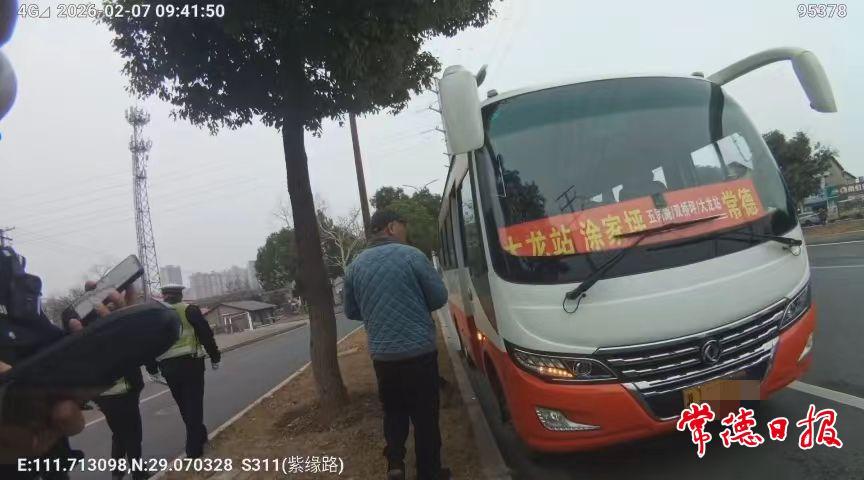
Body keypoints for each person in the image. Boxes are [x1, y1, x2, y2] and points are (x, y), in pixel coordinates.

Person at [343, 210, 450, 480]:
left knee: (393, 412)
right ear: (391, 227)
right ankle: (429, 472)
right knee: (425, 417)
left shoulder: (355, 266)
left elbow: (351, 311)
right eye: (404, 225)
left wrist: (376, 312)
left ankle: (395, 464)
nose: (406, 231)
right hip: (419, 353)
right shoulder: (412, 256)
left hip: (383, 356)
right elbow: (439, 297)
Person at [77, 281, 147, 480]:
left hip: (103, 394)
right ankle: (138, 473)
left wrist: (128, 285)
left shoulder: (83, 325)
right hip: (122, 390)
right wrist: (125, 288)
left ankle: (117, 472)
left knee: (119, 432)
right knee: (132, 433)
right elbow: (126, 313)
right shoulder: (109, 325)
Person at [145, 285, 220, 459]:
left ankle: (200, 435)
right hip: (191, 364)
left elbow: (148, 343)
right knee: (194, 405)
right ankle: (193, 450)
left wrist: (152, 369)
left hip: (169, 369)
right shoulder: (190, 310)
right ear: (180, 295)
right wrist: (215, 356)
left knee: (185, 406)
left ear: (164, 297)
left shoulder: (155, 315)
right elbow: (206, 335)